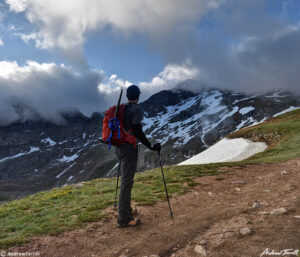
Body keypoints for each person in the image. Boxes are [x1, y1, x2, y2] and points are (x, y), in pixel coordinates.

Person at [115, 84, 161, 228]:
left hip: (119, 147)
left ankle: (126, 209)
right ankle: (123, 219)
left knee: (126, 181)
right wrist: (151, 146)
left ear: (128, 96)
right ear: (138, 96)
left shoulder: (122, 109)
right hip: (129, 148)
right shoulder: (136, 110)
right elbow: (138, 131)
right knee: (126, 182)